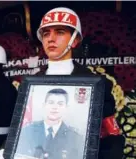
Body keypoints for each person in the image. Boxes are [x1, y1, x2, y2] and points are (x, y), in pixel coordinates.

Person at [30, 7, 124, 159]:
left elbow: (111, 139)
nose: (51, 38)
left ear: (75, 40)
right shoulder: (30, 85)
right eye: (46, 33)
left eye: (60, 32)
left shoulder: (98, 84)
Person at [16, 88, 83, 159]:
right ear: (44, 105)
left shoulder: (75, 138)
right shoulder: (27, 131)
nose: (55, 107)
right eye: (51, 102)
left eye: (60, 104)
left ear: (66, 108)